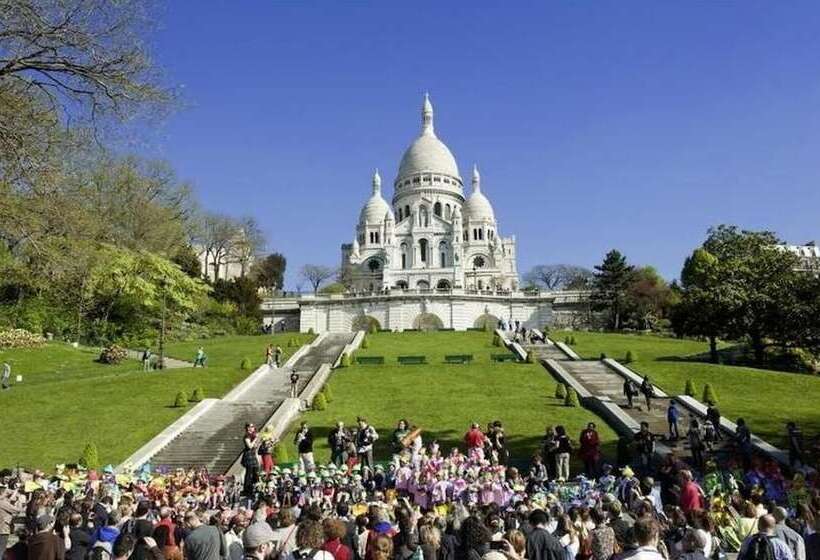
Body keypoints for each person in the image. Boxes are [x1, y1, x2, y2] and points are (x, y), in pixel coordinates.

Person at [241, 424, 260, 497]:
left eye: (252, 427)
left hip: (253, 455)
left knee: (255, 472)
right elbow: (249, 446)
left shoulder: (253, 436)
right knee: (249, 473)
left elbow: (255, 446)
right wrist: (255, 439)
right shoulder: (247, 436)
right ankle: (247, 489)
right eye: (249, 427)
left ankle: (254, 487)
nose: (251, 428)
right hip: (248, 456)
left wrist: (257, 442)